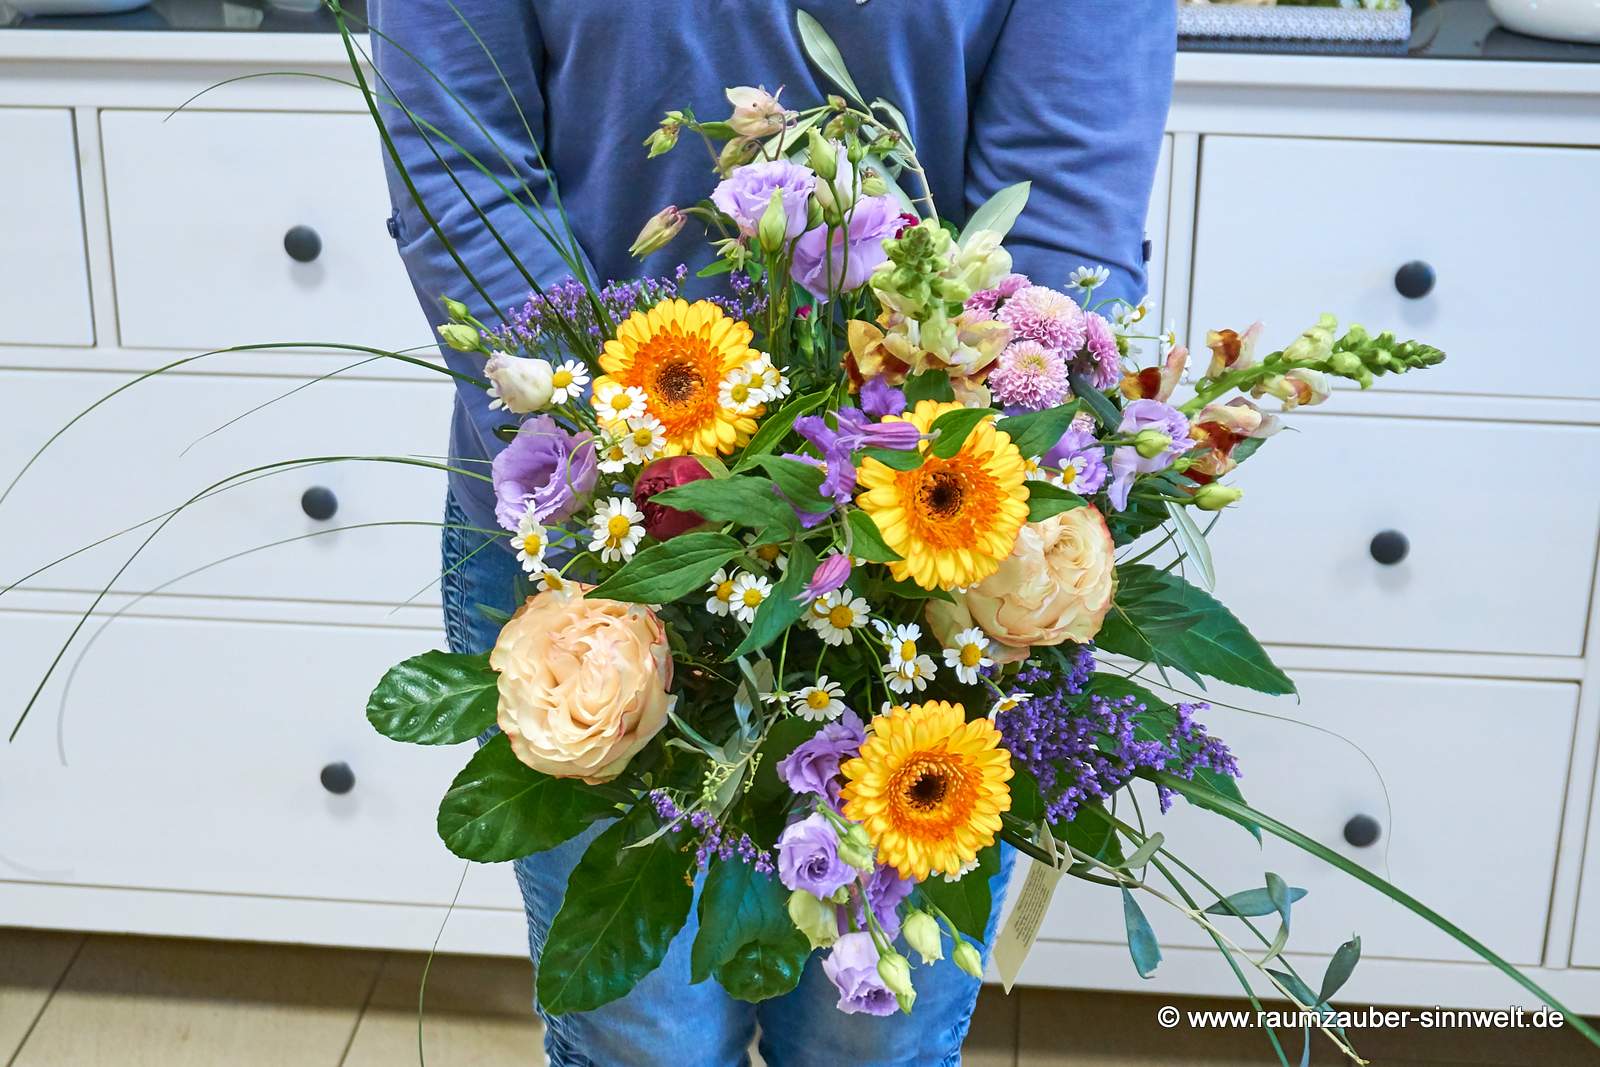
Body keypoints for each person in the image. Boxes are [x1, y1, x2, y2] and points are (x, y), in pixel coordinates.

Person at [370, 2, 1174, 1063]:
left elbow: (1062, 247)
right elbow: (462, 173)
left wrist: (904, 498)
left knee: (869, 1037)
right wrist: (641, 469)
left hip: (920, 567)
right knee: (641, 1035)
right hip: (586, 539)